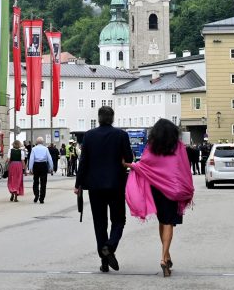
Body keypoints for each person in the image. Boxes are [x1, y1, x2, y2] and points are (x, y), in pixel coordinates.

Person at [124, 118, 194, 277]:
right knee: (169, 222)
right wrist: (187, 188)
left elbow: (144, 165)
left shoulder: (151, 147)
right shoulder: (179, 147)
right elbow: (184, 169)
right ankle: (163, 258)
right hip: (173, 190)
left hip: (156, 189)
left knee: (163, 221)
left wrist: (130, 165)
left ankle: (167, 255)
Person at [74, 106, 133, 273]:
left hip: (95, 187)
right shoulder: (121, 135)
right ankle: (110, 246)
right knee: (119, 220)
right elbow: (129, 158)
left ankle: (104, 261)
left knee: (100, 224)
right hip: (116, 185)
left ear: (98, 118)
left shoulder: (89, 136)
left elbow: (83, 162)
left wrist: (78, 184)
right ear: (112, 119)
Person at [28, 137, 53, 203]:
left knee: (35, 181)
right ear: (42, 142)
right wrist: (51, 167)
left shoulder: (33, 149)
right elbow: (49, 158)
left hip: (36, 165)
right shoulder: (46, 149)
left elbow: (31, 159)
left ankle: (36, 195)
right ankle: (42, 198)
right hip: (43, 165)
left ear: (36, 142)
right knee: (43, 182)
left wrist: (30, 168)